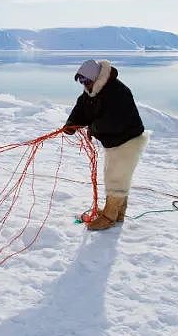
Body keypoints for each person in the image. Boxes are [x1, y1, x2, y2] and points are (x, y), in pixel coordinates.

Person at [63, 59, 148, 230]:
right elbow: (82, 108)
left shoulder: (117, 92)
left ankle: (109, 217)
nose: (84, 84)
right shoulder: (92, 90)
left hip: (128, 140)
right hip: (114, 141)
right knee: (113, 175)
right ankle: (118, 213)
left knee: (116, 178)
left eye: (85, 81)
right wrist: (71, 124)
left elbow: (112, 122)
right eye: (81, 81)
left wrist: (92, 128)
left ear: (95, 77)